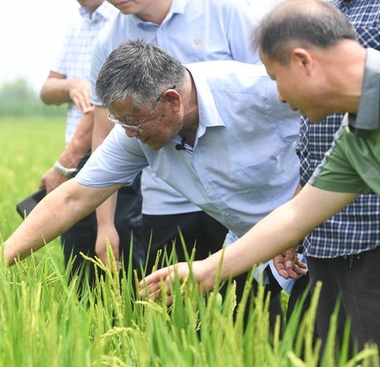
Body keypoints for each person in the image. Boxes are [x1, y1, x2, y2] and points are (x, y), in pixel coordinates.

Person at [141, 0, 380, 364]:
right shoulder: (356, 140)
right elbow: (296, 216)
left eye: (275, 79)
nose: (281, 97)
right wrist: (206, 271)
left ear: (304, 61)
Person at [0, 40, 301, 319]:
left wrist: (298, 215)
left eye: (134, 121)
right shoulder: (136, 133)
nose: (128, 133)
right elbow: (73, 197)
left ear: (172, 101)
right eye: (119, 121)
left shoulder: (260, 92)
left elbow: (333, 136)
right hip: (249, 248)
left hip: (323, 234)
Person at [86, 0, 297, 315]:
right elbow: (103, 137)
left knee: (251, 306)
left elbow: (279, 95)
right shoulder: (108, 39)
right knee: (172, 307)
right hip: (168, 197)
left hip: (241, 193)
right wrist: (105, 225)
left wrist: (295, 206)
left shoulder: (225, 11)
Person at [290, 0, 380, 363]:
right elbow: (315, 140)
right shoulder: (324, 8)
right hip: (324, 233)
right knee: (337, 355)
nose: (282, 96)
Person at [37, 0, 144, 287]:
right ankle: (88, 328)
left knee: (121, 259)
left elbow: (100, 114)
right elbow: (47, 90)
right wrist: (72, 85)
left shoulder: (123, 20)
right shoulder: (79, 23)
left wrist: (66, 162)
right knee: (79, 259)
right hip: (85, 156)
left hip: (118, 155)